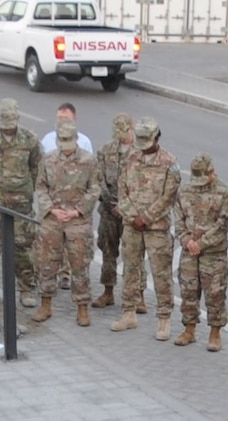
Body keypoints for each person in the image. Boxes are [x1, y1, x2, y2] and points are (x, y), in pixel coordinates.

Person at [112, 118, 179, 338]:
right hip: (131, 225)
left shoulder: (169, 162)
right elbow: (121, 189)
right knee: (130, 269)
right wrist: (132, 216)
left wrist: (147, 217)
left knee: (161, 274)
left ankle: (164, 319)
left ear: (157, 137)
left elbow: (169, 195)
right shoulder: (131, 158)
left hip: (156, 228)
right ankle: (128, 313)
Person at [0, 99, 42, 307]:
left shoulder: (30, 140)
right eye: (5, 123)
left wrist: (23, 188)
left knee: (23, 248)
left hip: (20, 207)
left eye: (11, 123)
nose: (8, 128)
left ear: (17, 119)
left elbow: (36, 168)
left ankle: (27, 289)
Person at [32, 122, 100, 325]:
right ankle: (45, 304)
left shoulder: (89, 161)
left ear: (76, 140)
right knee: (47, 263)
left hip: (77, 220)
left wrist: (77, 210)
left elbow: (94, 189)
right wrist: (51, 209)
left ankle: (82, 307)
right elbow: (41, 187)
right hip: (53, 219)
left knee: (80, 265)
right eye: (62, 142)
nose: (66, 146)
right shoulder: (48, 160)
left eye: (69, 142)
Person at [172, 153, 228, 350]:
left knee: (215, 293)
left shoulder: (225, 193)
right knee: (188, 290)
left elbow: (223, 224)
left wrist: (202, 243)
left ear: (212, 172)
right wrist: (186, 240)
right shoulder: (184, 191)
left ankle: (215, 333)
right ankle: (189, 329)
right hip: (189, 250)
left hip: (213, 252)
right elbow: (179, 218)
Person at [92, 114, 135, 310]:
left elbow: (145, 185)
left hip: (131, 213)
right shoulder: (106, 151)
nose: (122, 137)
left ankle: (136, 295)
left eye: (125, 132)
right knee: (108, 251)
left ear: (132, 129)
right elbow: (97, 178)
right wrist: (111, 203)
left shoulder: (140, 153)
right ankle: (108, 291)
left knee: (133, 255)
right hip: (109, 211)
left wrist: (126, 207)